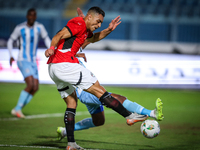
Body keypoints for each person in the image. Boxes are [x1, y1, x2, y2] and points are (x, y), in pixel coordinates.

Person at [45, 6, 148, 150]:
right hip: (65, 64)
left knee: (71, 103)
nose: (99, 25)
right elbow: (59, 35)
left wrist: (108, 30)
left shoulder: (85, 30)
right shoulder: (79, 23)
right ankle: (129, 116)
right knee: (99, 90)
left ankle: (71, 144)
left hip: (54, 68)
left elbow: (93, 38)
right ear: (89, 17)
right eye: (98, 21)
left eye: (101, 23)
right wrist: (51, 47)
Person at [7, 8, 51, 118]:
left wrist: (52, 49)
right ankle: (17, 109)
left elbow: (46, 39)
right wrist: (11, 55)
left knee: (35, 87)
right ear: (27, 16)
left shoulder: (39, 27)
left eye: (34, 15)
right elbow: (10, 41)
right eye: (30, 15)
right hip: (22, 59)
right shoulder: (20, 28)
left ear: (35, 17)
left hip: (33, 61)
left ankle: (18, 108)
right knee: (30, 85)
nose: (32, 17)